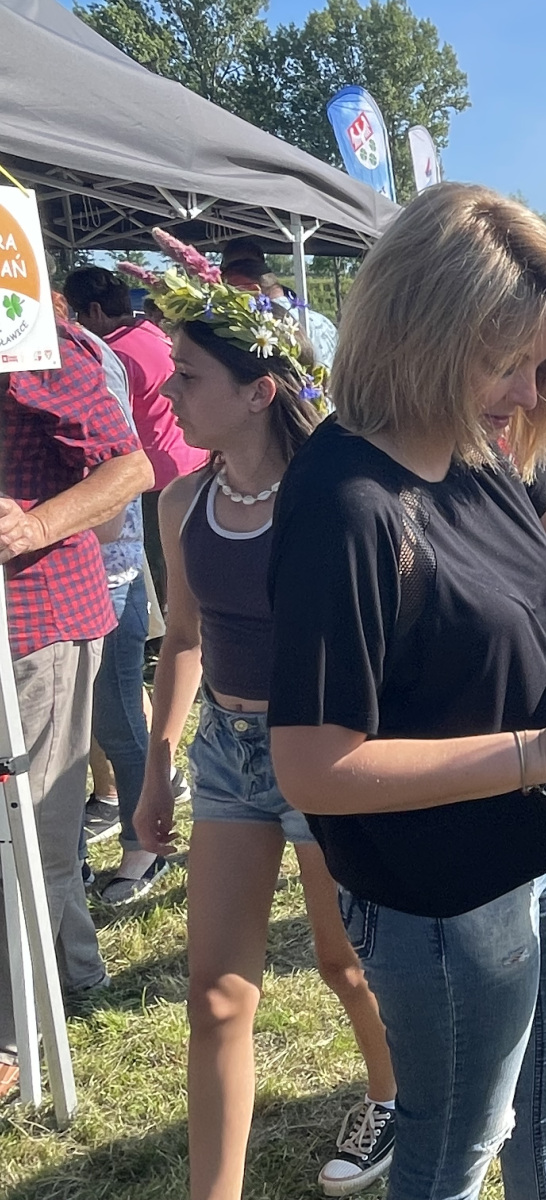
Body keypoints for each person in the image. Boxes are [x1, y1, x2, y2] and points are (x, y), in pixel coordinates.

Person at [266, 183, 546, 1200]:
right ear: (423, 332)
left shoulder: (479, 443)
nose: (530, 395)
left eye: (543, 364)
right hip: (442, 897)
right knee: (455, 1145)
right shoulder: (347, 504)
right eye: (508, 363)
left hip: (544, 849)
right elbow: (315, 767)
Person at [127, 242, 398, 1199]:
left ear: (259, 391)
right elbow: (185, 638)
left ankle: (391, 1095)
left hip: (318, 750)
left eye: (187, 376)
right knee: (214, 996)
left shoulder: (329, 500)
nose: (167, 394)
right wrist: (158, 767)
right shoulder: (184, 501)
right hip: (228, 758)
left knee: (342, 962)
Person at [0, 319, 153, 1102]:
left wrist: (36, 524)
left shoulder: (30, 339)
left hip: (37, 621)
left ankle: (12, 1032)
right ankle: (76, 969)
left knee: (35, 834)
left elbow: (130, 468)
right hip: (23, 624)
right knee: (29, 830)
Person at [49, 291, 168, 903]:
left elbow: (122, 471)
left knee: (116, 717)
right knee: (64, 738)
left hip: (106, 570)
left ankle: (144, 846)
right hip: (61, 574)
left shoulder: (84, 356)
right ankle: (67, 864)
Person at [62, 266, 207, 612]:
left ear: (95, 310)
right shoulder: (153, 333)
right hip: (192, 462)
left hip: (156, 479)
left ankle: (165, 628)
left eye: (78, 315)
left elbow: (108, 426)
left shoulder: (110, 354)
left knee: (161, 568)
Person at [219, 254, 340, 371]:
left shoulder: (265, 325)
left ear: (252, 290)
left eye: (230, 292)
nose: (226, 301)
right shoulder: (325, 322)